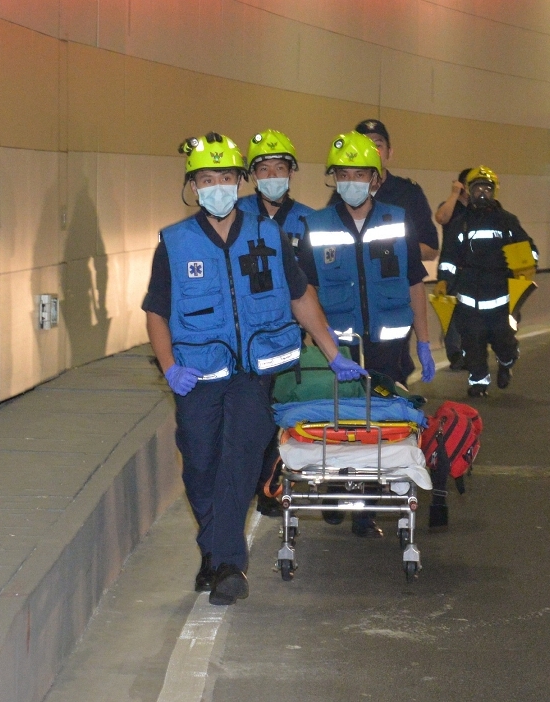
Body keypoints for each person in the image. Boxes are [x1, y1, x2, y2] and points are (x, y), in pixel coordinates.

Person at [142, 132, 364, 606]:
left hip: (255, 372)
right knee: (200, 466)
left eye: (225, 177)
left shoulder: (270, 235)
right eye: (207, 179)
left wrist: (332, 351)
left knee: (239, 462)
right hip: (198, 374)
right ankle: (214, 551)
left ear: (239, 181)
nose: (217, 187)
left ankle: (228, 565)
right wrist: (168, 368)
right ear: (193, 186)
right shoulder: (175, 243)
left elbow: (300, 295)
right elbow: (157, 311)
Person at [297, 131, 437, 538]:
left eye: (360, 173)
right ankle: (341, 490)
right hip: (339, 349)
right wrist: (322, 345)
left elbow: (414, 284)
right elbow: (305, 290)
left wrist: (424, 341)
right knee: (342, 426)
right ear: (333, 178)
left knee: (379, 428)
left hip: (388, 347)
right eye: (344, 174)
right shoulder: (316, 225)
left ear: (376, 179)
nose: (352, 182)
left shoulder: (397, 221)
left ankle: (366, 508)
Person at [236, 129, 320, 517]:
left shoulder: (309, 221)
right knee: (252, 415)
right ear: (253, 175)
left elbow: (316, 282)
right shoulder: (236, 218)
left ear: (291, 172)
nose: (272, 175)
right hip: (250, 338)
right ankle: (249, 483)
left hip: (293, 333)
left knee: (284, 411)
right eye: (264, 168)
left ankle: (270, 488)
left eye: (279, 167)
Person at [436, 166, 538, 397]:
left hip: (500, 296)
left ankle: (507, 361)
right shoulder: (461, 223)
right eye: (477, 188)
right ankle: (478, 382)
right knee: (472, 343)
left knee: (503, 341)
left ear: (494, 191)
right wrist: (443, 280)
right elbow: (449, 256)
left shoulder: (507, 221)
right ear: (469, 192)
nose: (482, 193)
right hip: (468, 294)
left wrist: (526, 266)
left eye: (487, 188)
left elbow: (529, 250)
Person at [329, 119, 440, 262]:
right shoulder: (342, 194)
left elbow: (431, 249)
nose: (372, 150)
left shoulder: (409, 193)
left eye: (378, 145)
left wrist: (392, 250)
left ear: (389, 153)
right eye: (364, 144)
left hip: (395, 281)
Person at [435, 168, 473, 370]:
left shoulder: (480, 208)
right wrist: (454, 194)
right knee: (452, 313)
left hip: (473, 268)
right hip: (451, 269)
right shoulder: (451, 206)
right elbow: (441, 218)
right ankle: (455, 354)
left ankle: (470, 352)